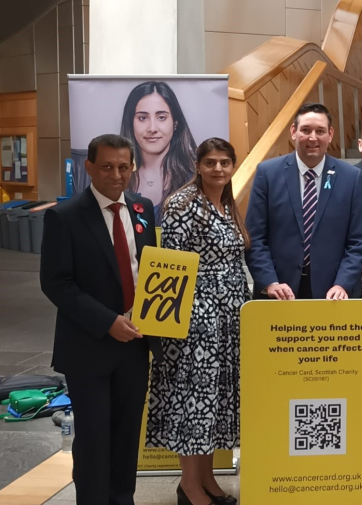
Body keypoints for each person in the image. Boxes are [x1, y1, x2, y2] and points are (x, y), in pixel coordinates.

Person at [40, 134, 159, 505]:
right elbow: (57, 283)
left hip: (135, 345)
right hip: (89, 347)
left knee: (126, 435)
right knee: (93, 439)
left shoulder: (143, 208)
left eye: (124, 167)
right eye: (107, 166)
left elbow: (150, 268)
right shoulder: (65, 216)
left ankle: (123, 498)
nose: (116, 175)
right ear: (89, 167)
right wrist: (108, 321)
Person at [146, 138, 249, 505]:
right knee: (194, 401)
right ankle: (189, 486)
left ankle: (206, 479)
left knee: (214, 401)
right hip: (195, 321)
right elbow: (171, 269)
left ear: (233, 166)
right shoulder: (183, 204)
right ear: (198, 164)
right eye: (210, 162)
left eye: (224, 162)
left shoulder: (226, 204)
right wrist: (184, 322)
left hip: (226, 320)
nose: (218, 169)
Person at [245, 103, 362, 300]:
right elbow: (255, 237)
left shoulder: (351, 177)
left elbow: (359, 240)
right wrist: (269, 281)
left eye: (320, 131)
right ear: (294, 132)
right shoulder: (267, 174)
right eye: (306, 130)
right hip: (278, 292)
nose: (313, 137)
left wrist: (343, 283)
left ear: (330, 135)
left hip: (332, 293)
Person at [120, 81, 198, 223]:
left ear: (175, 123)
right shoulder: (116, 179)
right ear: (131, 124)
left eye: (161, 117)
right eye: (142, 118)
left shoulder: (194, 180)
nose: (152, 128)